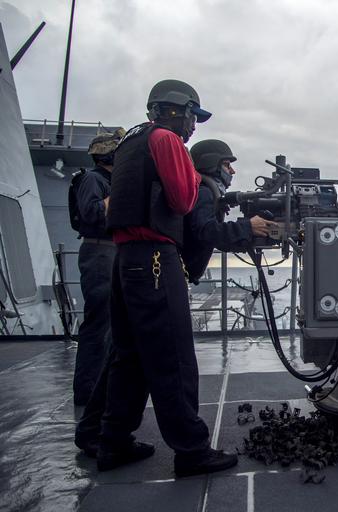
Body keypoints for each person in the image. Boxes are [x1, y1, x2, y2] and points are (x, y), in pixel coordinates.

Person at [97, 79, 236, 476]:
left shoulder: (131, 141)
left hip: (125, 259)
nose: (193, 127)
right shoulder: (166, 140)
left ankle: (113, 442)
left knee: (129, 357)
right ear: (178, 110)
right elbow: (182, 200)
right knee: (173, 358)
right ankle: (191, 450)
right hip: (156, 258)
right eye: (193, 116)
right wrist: (197, 179)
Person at [71, 129, 123, 406]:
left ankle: (102, 387)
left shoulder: (108, 180)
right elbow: (91, 212)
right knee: (98, 323)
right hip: (100, 251)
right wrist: (122, 191)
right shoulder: (93, 179)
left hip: (112, 250)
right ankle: (87, 391)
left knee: (112, 323)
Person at [183, 139, 273, 283]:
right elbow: (207, 232)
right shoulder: (203, 192)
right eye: (226, 165)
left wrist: (250, 234)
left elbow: (219, 242)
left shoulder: (203, 191)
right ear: (211, 164)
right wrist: (247, 226)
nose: (232, 171)